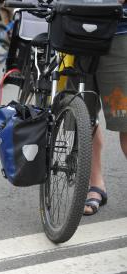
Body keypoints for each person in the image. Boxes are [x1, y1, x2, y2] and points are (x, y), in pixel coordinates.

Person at [84, 0, 127, 215]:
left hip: (119, 32)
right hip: (73, 32)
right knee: (83, 118)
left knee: (125, 120)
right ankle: (96, 185)